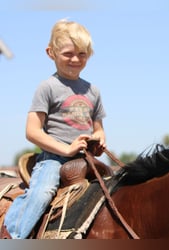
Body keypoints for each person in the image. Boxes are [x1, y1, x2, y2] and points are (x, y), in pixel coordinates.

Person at [0, 19, 106, 239]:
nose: (75, 59)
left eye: (82, 54)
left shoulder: (93, 91)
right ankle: (12, 235)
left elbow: (99, 128)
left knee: (113, 190)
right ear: (51, 53)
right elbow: (32, 131)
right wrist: (66, 150)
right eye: (68, 54)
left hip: (85, 159)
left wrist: (99, 139)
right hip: (54, 159)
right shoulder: (48, 87)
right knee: (42, 193)